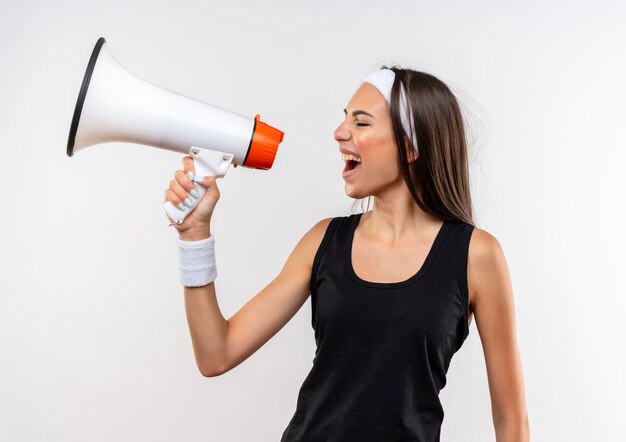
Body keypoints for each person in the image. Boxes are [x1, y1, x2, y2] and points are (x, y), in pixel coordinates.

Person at [163, 67, 530, 441]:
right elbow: (216, 354)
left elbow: (511, 423)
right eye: (344, 119)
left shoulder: (475, 255)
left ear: (410, 146)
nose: (339, 133)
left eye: (362, 123)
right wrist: (194, 236)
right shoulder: (324, 240)